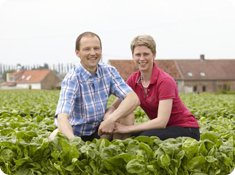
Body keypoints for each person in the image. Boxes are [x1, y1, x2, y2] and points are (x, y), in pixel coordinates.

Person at [49, 32, 140, 141]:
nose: (93, 53)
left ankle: (115, 151)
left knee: (127, 114)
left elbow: (133, 98)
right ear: (77, 53)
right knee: (55, 136)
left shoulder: (109, 72)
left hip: (99, 131)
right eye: (87, 49)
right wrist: (75, 143)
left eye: (96, 48)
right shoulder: (72, 79)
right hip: (74, 132)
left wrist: (111, 119)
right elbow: (62, 118)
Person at [113, 35, 200, 141]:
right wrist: (108, 120)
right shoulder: (133, 79)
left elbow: (161, 122)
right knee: (133, 138)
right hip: (164, 129)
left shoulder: (165, 81)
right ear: (133, 56)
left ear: (154, 55)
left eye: (146, 54)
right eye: (138, 55)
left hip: (186, 129)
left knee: (143, 138)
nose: (141, 58)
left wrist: (127, 128)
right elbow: (114, 106)